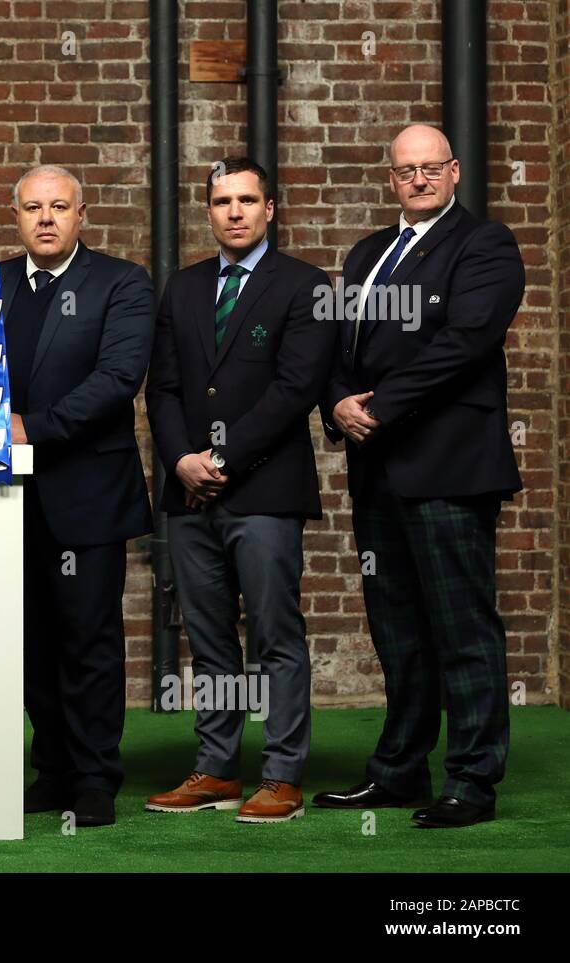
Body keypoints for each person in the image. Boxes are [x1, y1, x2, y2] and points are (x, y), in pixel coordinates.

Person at [315, 125, 525, 829]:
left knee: (462, 628)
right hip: (376, 466)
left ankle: (471, 779)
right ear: (392, 177)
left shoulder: (484, 245)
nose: (419, 178)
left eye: (431, 167)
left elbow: (464, 342)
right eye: (406, 169)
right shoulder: (368, 253)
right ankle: (399, 770)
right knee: (397, 628)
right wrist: (337, 402)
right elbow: (340, 345)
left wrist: (380, 406)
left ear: (455, 171)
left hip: (447, 466)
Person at [0, 164, 154, 827]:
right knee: (30, 641)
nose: (46, 218)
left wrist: (28, 427)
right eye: (33, 208)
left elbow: (117, 378)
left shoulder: (121, 282)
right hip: (2, 497)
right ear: (15, 216)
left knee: (89, 640)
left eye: (59, 207)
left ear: (82, 215)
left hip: (86, 492)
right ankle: (53, 770)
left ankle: (96, 777)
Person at [144, 157, 334, 824]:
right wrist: (180, 461)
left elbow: (294, 390)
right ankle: (218, 767)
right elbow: (161, 387)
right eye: (222, 200)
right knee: (211, 640)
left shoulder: (306, 286)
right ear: (210, 210)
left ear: (270, 209)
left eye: (247, 200)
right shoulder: (184, 287)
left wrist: (218, 457)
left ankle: (281, 774)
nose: (234, 211)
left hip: (265, 491)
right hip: (189, 493)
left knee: (276, 637)